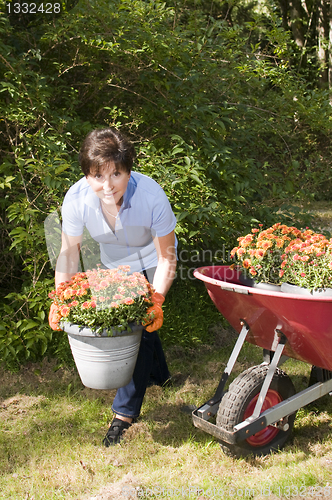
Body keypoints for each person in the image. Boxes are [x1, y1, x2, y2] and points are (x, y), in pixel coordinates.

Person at [49, 127, 177, 446]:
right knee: (143, 330)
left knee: (138, 324)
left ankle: (124, 413)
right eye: (97, 176)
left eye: (116, 174)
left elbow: (167, 258)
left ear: (128, 171)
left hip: (153, 260)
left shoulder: (151, 195)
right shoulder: (76, 199)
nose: (107, 186)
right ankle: (159, 375)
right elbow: (69, 252)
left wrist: (155, 299)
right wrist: (61, 298)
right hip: (115, 263)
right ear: (87, 175)